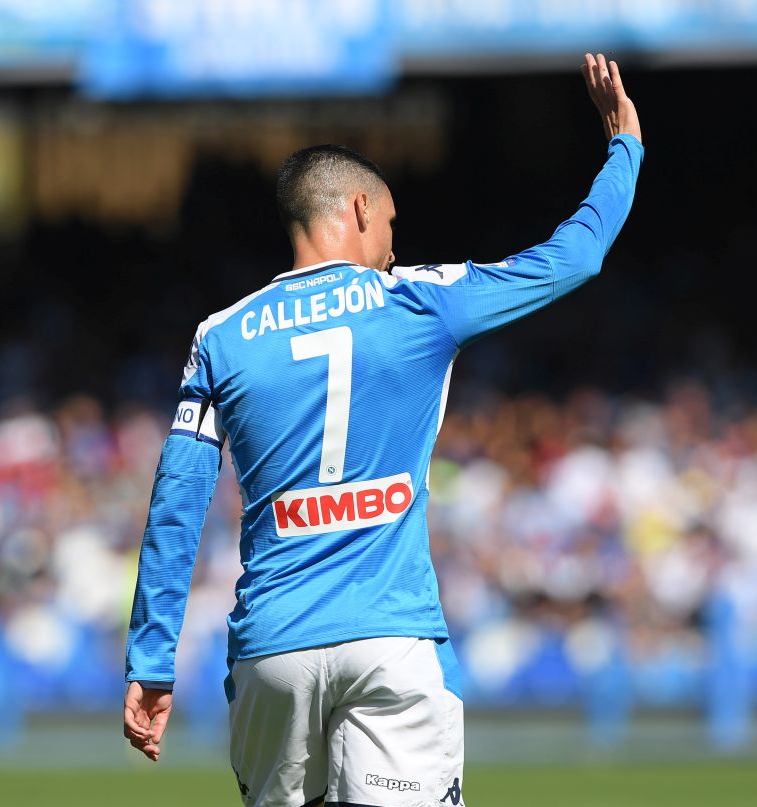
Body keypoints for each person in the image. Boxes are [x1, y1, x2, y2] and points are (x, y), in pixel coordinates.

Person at [120, 53, 642, 807]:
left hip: (274, 649)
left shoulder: (220, 336)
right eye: (391, 222)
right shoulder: (418, 300)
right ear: (360, 208)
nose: (394, 245)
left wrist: (152, 657)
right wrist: (624, 145)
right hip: (392, 638)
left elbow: (178, 503)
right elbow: (576, 256)